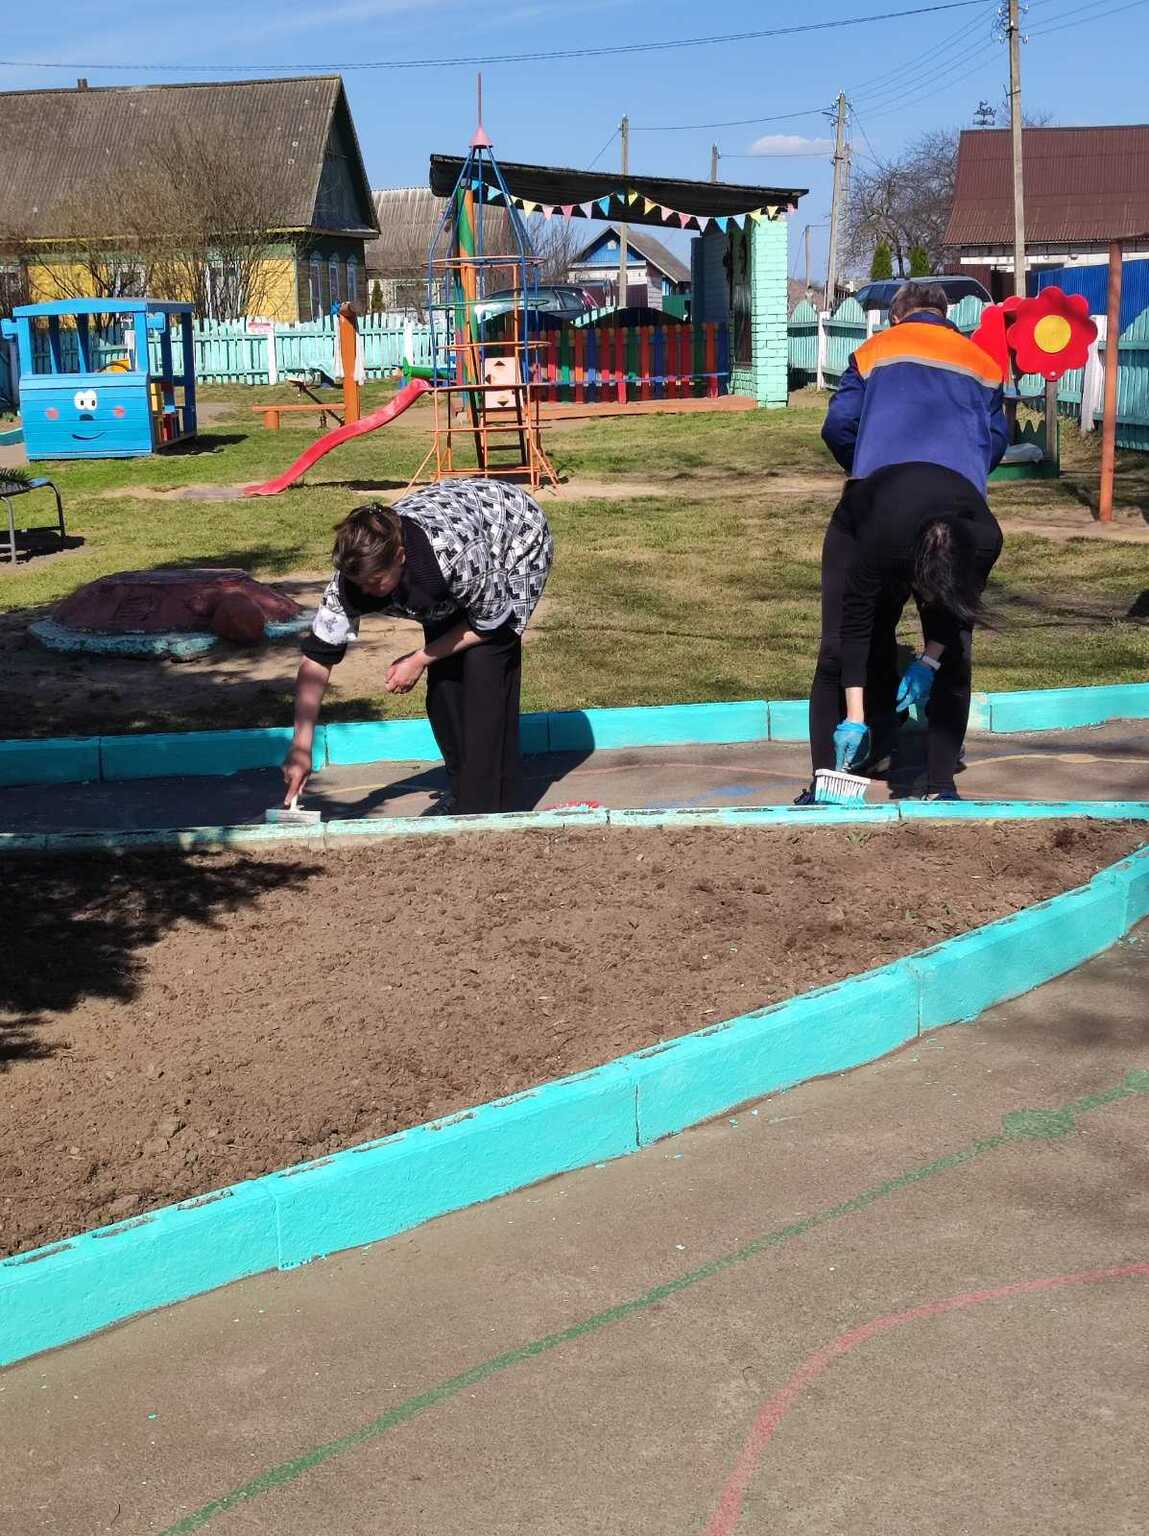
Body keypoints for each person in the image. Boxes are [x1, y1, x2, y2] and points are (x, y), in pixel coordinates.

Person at [803, 280, 1009, 801]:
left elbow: (838, 425)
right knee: (953, 644)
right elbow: (996, 440)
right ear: (946, 314)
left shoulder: (874, 351)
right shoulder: (984, 364)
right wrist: (960, 476)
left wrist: (868, 466)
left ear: (898, 316)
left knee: (847, 638)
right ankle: (941, 785)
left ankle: (831, 775)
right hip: (957, 511)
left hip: (878, 507)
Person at [282, 479, 553, 816]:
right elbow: (317, 659)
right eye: (358, 583)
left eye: (374, 582)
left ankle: (490, 810)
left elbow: (492, 621)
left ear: (400, 556)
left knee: (485, 685)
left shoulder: (451, 556)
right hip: (450, 559)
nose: (365, 592)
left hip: (513, 534)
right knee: (444, 691)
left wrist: (419, 659)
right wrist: (301, 746)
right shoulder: (350, 582)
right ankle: (464, 794)